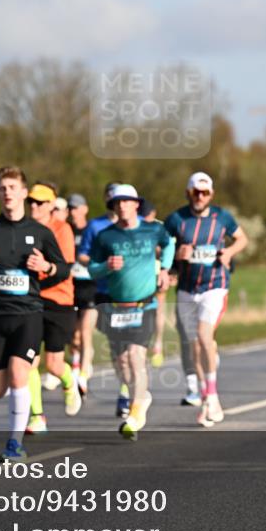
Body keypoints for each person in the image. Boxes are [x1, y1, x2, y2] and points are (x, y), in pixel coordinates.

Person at [0, 167, 70, 462]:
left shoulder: (41, 232)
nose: (7, 192)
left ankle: (15, 442)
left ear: (23, 192)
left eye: (13, 187)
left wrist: (46, 267)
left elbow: (64, 268)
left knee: (20, 371)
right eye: (3, 187)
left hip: (29, 314)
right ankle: (19, 399)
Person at [89, 184, 173, 440]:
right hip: (116, 306)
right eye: (118, 203)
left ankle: (135, 414)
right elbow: (92, 269)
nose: (123, 206)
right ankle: (142, 395)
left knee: (136, 356)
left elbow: (168, 245)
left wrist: (164, 269)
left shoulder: (153, 229)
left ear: (137, 204)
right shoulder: (106, 236)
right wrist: (106, 266)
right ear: (113, 207)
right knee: (121, 364)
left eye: (127, 201)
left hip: (144, 304)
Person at [163, 172, 248, 426]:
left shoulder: (222, 217)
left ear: (211, 194)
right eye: (196, 192)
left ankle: (211, 394)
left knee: (203, 335)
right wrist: (177, 255)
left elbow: (242, 238)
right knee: (194, 346)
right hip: (188, 288)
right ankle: (207, 395)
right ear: (188, 193)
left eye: (205, 192)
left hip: (215, 285)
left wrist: (229, 252)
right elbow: (163, 249)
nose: (200, 197)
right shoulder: (176, 219)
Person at [24, 182, 82, 434]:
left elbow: (65, 268)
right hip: (30, 301)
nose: (34, 206)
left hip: (59, 300)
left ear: (50, 205)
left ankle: (70, 382)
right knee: (30, 361)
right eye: (31, 202)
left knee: (54, 365)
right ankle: (37, 416)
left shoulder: (62, 229)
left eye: (39, 202)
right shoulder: (23, 228)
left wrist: (44, 268)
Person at [77, 183, 132, 418]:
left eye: (122, 199)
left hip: (130, 292)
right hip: (103, 290)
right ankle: (125, 388)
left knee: (130, 346)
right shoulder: (96, 225)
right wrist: (102, 262)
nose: (118, 204)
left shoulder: (136, 225)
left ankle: (129, 393)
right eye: (113, 198)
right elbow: (83, 254)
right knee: (116, 347)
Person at [67, 193, 94, 395]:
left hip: (91, 287)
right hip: (70, 286)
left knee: (85, 332)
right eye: (70, 208)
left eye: (76, 207)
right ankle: (76, 364)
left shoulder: (92, 230)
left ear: (84, 209)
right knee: (73, 336)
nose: (73, 212)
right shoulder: (65, 230)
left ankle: (82, 375)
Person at [140, 198, 167, 368]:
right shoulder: (135, 225)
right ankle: (143, 342)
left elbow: (167, 249)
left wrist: (169, 272)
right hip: (139, 274)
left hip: (157, 272)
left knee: (159, 307)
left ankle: (158, 343)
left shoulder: (159, 227)